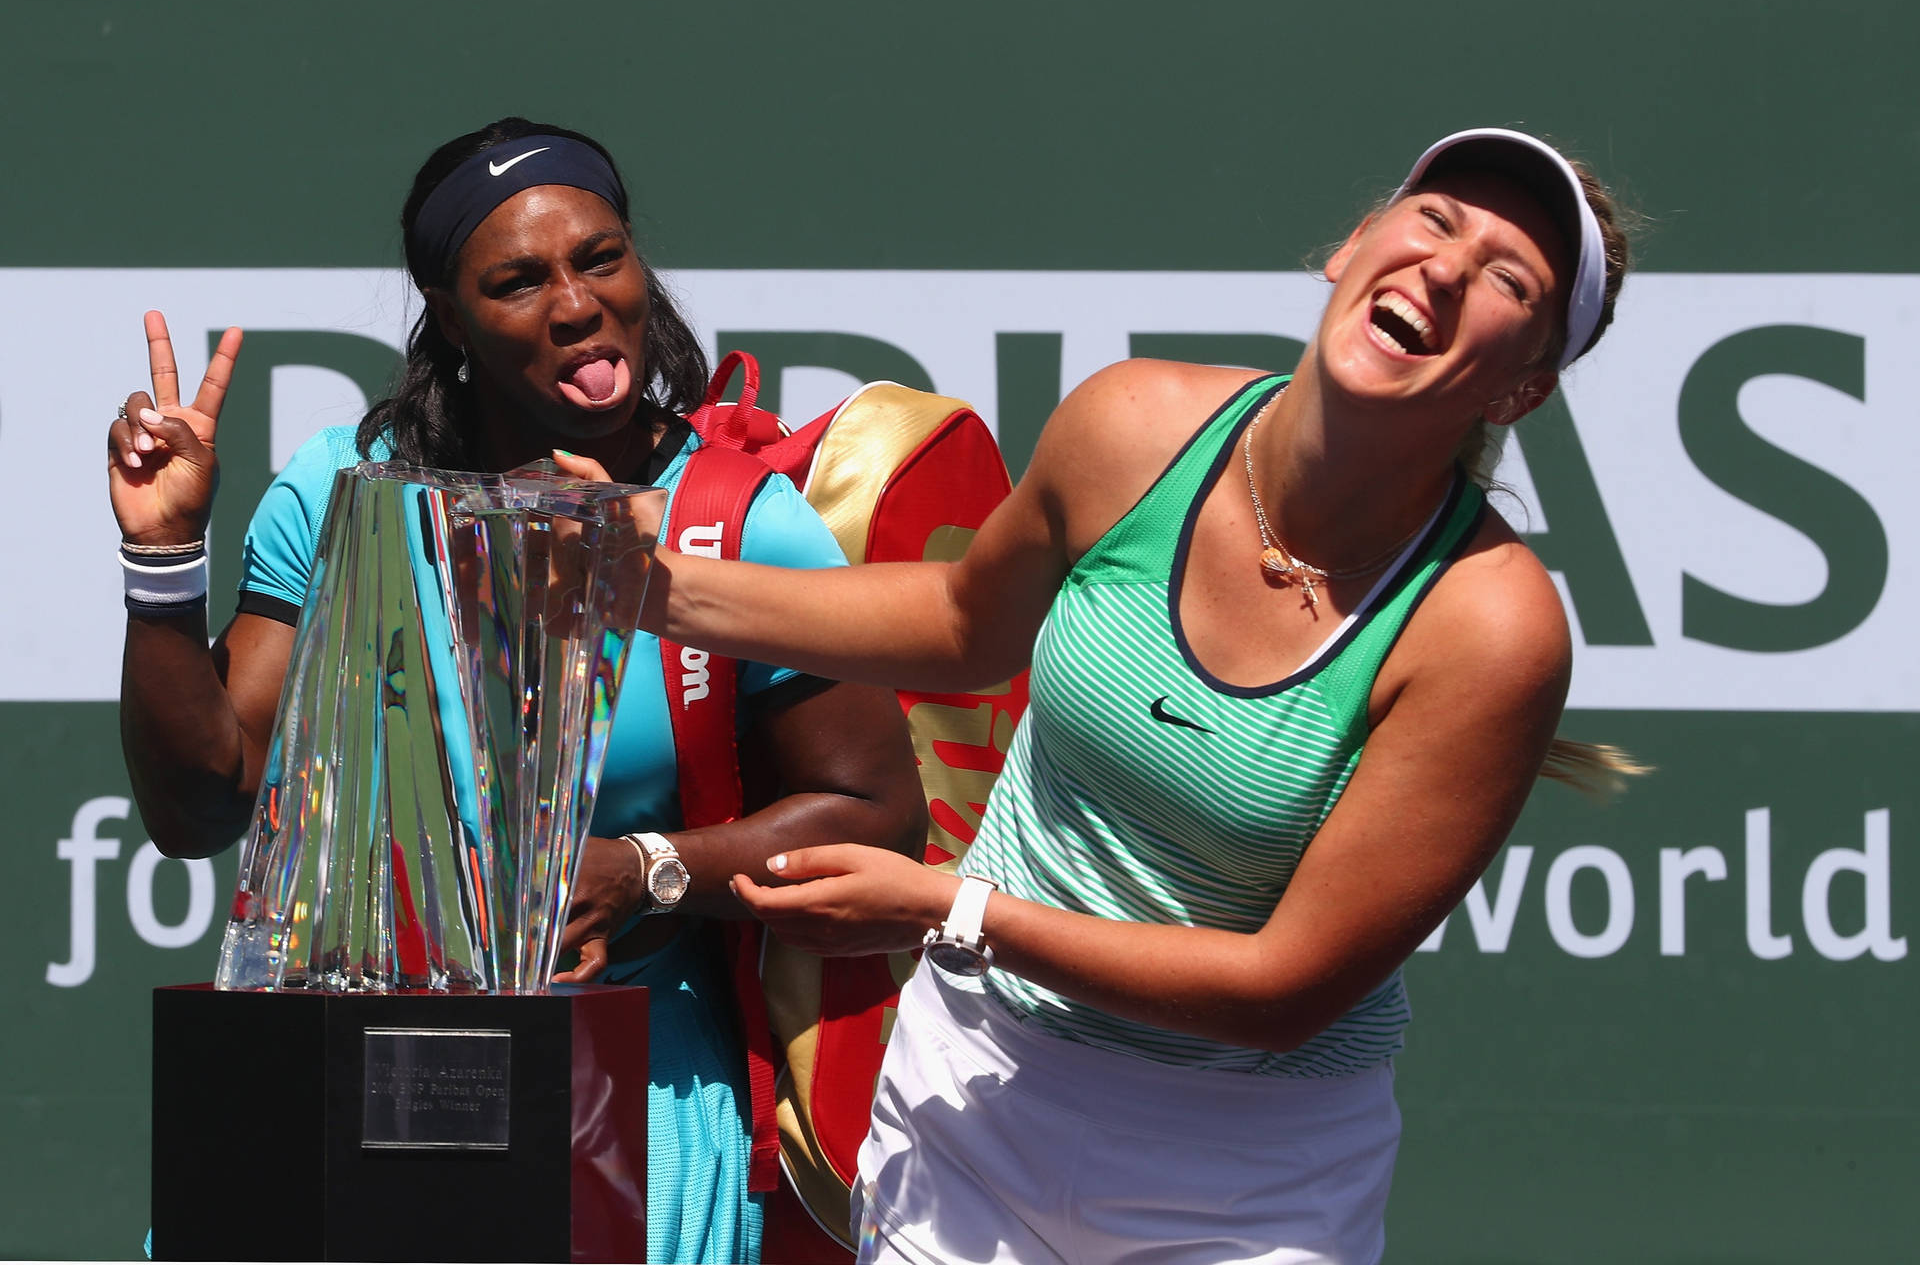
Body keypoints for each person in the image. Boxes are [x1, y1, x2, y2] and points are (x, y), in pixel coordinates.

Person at [581, 127, 1635, 1264]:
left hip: (1247, 1176)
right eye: (1435, 219)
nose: (1446, 266)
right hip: (976, 1096)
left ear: (1525, 387)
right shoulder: (1133, 423)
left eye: (1508, 278)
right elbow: (960, 624)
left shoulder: (1490, 626)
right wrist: (658, 588)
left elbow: (1282, 989)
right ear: (1352, 247)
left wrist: (951, 908)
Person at [107, 117, 925, 1265]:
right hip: (337, 1074)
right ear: (448, 317)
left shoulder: (738, 523)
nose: (577, 303)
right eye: (517, 280)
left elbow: (877, 815)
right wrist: (162, 562)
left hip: (624, 1092)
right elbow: (199, 807)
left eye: (600, 257)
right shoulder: (341, 489)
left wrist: (642, 870)